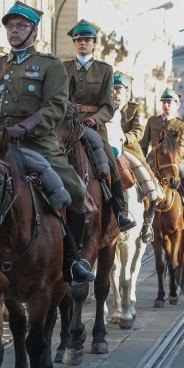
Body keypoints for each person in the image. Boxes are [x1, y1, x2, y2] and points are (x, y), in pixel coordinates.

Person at [0, 1, 95, 294]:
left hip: (36, 142)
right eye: (10, 26)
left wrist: (25, 127)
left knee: (76, 192)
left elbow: (55, 106)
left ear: (34, 31)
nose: (14, 31)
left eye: (21, 26)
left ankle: (73, 261)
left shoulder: (50, 65)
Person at [63, 20, 136, 232]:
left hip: (93, 126)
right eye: (78, 41)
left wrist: (95, 119)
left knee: (110, 161)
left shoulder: (104, 70)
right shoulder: (64, 67)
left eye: (87, 40)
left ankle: (120, 210)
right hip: (67, 124)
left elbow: (108, 106)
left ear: (94, 43)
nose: (82, 44)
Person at [139, 89, 184, 231]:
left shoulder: (182, 125)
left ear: (177, 105)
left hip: (175, 162)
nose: (166, 105)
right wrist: (141, 161)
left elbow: (183, 146)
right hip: (154, 161)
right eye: (164, 102)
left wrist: (172, 157)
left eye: (169, 102)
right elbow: (143, 144)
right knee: (135, 182)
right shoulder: (153, 121)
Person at [113, 72, 159, 244]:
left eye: (118, 89)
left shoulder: (135, 108)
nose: (114, 92)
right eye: (112, 89)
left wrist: (124, 138)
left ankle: (147, 223)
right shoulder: (105, 106)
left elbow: (139, 131)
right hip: (106, 147)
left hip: (128, 148)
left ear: (127, 91)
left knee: (151, 186)